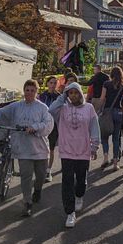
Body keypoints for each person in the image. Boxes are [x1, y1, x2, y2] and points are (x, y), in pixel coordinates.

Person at [0, 79, 54, 216]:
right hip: (22, 148)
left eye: (32, 90)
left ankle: (38, 190)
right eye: (27, 90)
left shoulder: (42, 108)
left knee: (40, 175)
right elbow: (0, 112)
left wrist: (35, 127)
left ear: (36, 92)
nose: (29, 93)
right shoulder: (16, 106)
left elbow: (48, 124)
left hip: (39, 149)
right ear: (24, 91)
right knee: (26, 176)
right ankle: (27, 202)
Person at [48, 82, 100, 228]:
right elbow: (51, 110)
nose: (73, 95)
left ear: (80, 93)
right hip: (67, 151)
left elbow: (94, 127)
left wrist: (94, 146)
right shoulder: (62, 109)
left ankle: (79, 195)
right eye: (70, 93)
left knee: (81, 180)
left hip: (83, 151)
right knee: (67, 182)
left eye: (75, 92)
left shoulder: (89, 108)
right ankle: (70, 213)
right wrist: (62, 96)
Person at [99, 66, 123, 171]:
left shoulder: (106, 84)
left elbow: (102, 98)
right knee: (116, 138)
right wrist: (122, 107)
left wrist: (100, 109)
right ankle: (115, 163)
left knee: (104, 135)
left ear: (111, 74)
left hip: (107, 111)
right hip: (118, 113)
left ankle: (105, 158)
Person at [39, 76, 62, 181]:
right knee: (41, 148)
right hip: (42, 125)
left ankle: (48, 171)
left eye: (54, 83)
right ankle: (41, 169)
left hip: (54, 126)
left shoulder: (59, 97)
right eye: (51, 83)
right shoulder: (42, 96)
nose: (52, 85)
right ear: (47, 84)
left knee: (51, 149)